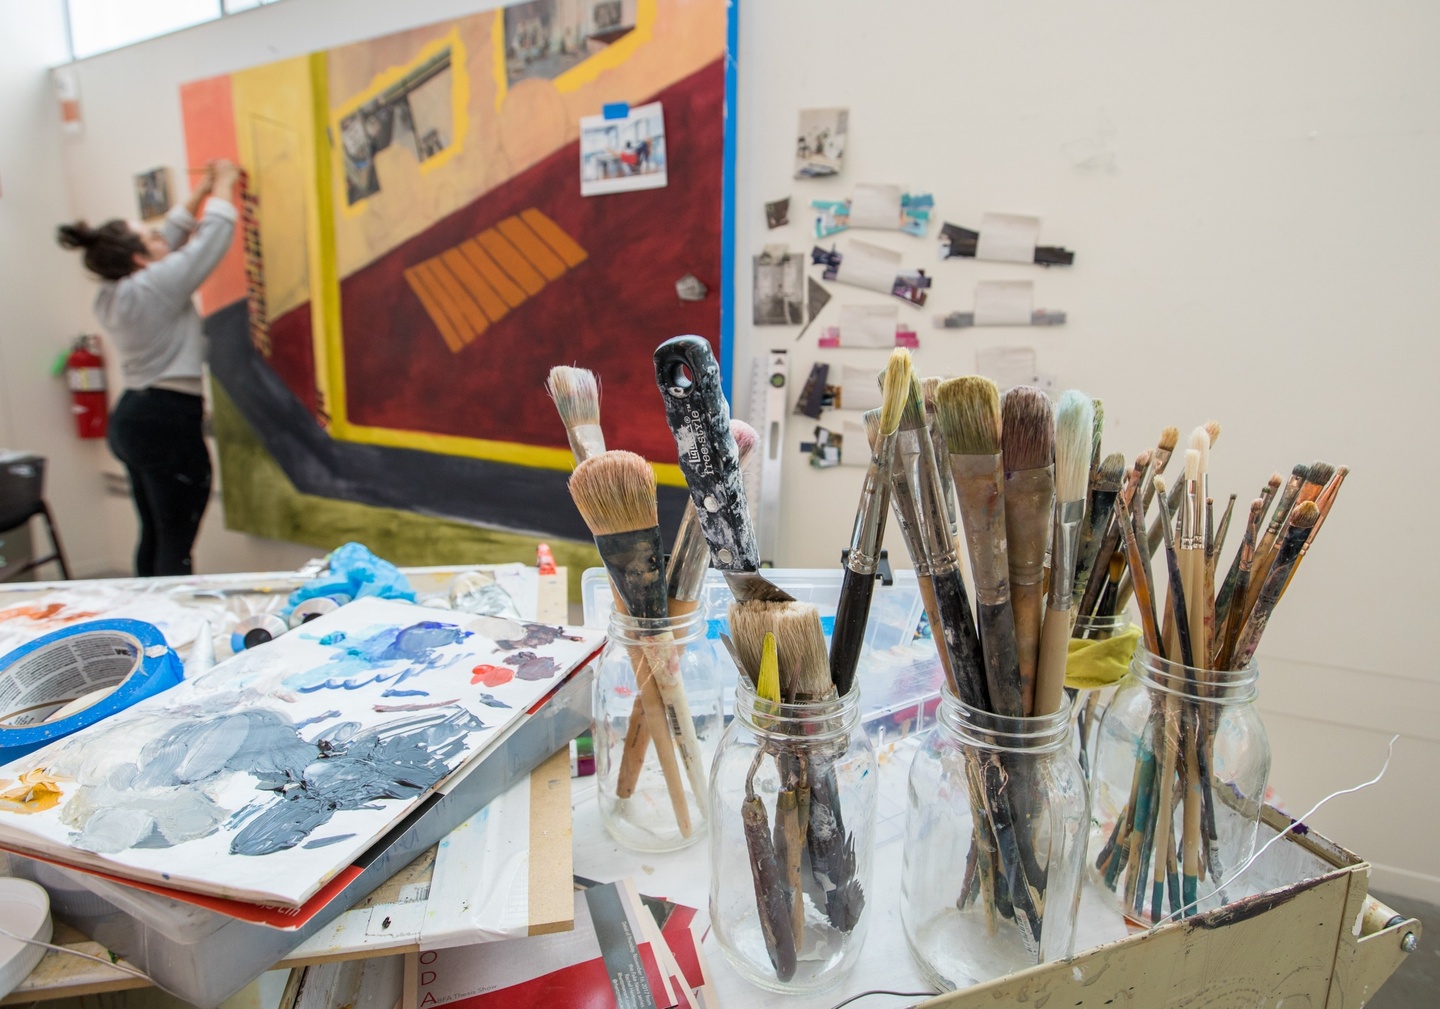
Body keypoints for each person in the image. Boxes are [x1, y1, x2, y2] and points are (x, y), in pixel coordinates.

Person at [56, 159, 240, 577]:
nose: (161, 236)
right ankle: (169, 630)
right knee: (175, 540)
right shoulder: (155, 287)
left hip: (135, 420)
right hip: (166, 422)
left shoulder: (114, 290)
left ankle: (146, 616)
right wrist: (225, 185)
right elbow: (210, 240)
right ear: (141, 259)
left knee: (157, 534)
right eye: (150, 237)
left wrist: (201, 190)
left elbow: (170, 238)